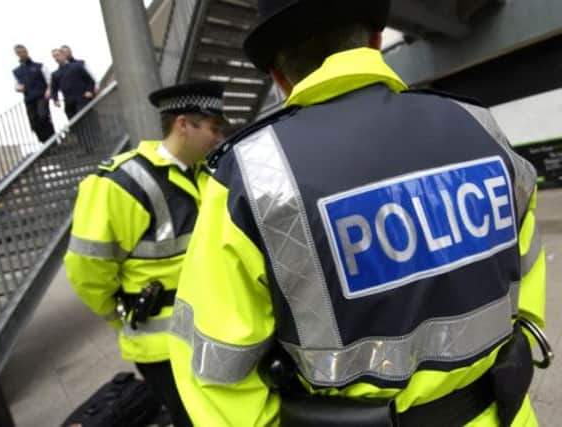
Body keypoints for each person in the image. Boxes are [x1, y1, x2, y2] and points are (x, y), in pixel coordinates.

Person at [167, 1, 548, 426]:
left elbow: (215, 371)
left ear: (278, 76)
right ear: (374, 40)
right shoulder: (479, 126)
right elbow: (526, 270)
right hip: (506, 413)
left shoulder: (253, 178)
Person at [64, 82, 227, 426]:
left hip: (215, 336)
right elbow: (86, 267)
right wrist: (116, 314)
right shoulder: (119, 183)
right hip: (164, 349)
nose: (218, 137)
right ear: (184, 124)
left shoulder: (205, 174)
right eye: (213, 127)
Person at [12, 44, 55, 142]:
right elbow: (16, 85)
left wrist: (49, 90)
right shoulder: (16, 71)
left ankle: (53, 141)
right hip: (29, 99)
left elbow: (49, 80)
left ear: (27, 51)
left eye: (23, 51)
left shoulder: (39, 66)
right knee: (34, 123)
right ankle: (45, 143)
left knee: (43, 116)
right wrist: (18, 88)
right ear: (16, 54)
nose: (21, 54)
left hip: (42, 96)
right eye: (19, 53)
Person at [50, 48, 96, 120]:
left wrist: (90, 91)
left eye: (57, 55)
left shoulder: (77, 66)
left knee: (87, 120)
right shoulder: (55, 74)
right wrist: (56, 100)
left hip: (82, 99)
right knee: (75, 124)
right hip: (69, 103)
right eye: (54, 57)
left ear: (63, 55)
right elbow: (54, 89)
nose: (56, 58)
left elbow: (90, 80)